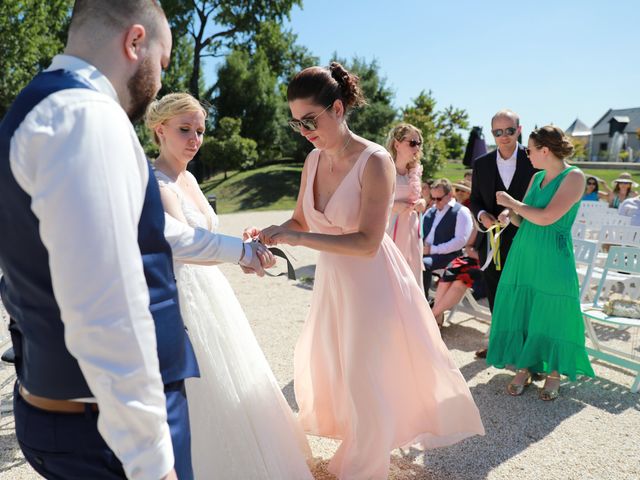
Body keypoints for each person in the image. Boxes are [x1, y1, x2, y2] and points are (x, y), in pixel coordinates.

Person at [0, 2, 270, 479]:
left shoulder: (34, 110)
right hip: (104, 432)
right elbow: (107, 309)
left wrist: (242, 251)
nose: (160, 82)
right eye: (162, 64)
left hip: (66, 411)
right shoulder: (88, 118)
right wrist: (152, 461)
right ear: (135, 43)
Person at [255, 62, 484, 479]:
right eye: (296, 123)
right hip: (334, 283)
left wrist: (300, 241)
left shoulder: (374, 161)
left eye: (310, 120)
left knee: (365, 378)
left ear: (338, 109)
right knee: (339, 372)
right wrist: (273, 233)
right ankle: (360, 453)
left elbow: (366, 242)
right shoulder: (312, 161)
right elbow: (301, 221)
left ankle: (364, 470)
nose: (305, 131)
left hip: (371, 281)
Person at [146, 93, 313, 479]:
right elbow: (181, 247)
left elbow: (203, 241)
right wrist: (242, 254)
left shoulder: (188, 177)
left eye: (200, 131)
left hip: (211, 290)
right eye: (184, 129)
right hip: (183, 299)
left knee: (234, 377)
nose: (194, 139)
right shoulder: (159, 184)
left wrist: (243, 254)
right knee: (206, 386)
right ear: (160, 129)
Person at [486, 125, 595, 400]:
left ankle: (554, 373)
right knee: (525, 308)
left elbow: (547, 217)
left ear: (545, 150)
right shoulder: (536, 178)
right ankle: (523, 367)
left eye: (530, 149)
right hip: (524, 252)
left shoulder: (574, 177)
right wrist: (509, 214)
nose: (527, 154)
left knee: (552, 311)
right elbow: (525, 218)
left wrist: (513, 202)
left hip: (552, 255)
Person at [470, 109, 537, 358]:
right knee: (495, 292)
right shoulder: (482, 164)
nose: (504, 136)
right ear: (492, 134)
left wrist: (516, 211)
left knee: (523, 292)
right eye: (498, 132)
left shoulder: (535, 160)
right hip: (492, 241)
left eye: (509, 130)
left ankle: (525, 349)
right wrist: (482, 216)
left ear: (519, 130)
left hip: (526, 238)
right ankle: (498, 341)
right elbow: (475, 200)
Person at [385, 123, 427, 288]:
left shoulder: (414, 171)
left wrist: (422, 202)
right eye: (412, 143)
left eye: (419, 143)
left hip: (412, 229)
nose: (417, 147)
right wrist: (393, 206)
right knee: (391, 274)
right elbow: (369, 201)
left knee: (413, 273)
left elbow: (418, 198)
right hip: (390, 229)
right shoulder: (385, 169)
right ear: (397, 144)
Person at [422, 178, 474, 297]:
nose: (435, 202)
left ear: (450, 195)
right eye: (433, 198)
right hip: (425, 252)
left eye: (439, 199)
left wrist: (432, 250)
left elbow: (460, 241)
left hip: (449, 255)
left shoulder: (461, 211)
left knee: (422, 264)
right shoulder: (431, 211)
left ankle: (422, 302)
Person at [431, 227, 481, 328]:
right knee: (449, 271)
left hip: (487, 267)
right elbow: (468, 247)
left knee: (461, 280)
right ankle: (437, 315)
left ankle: (431, 317)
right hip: (473, 258)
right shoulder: (480, 221)